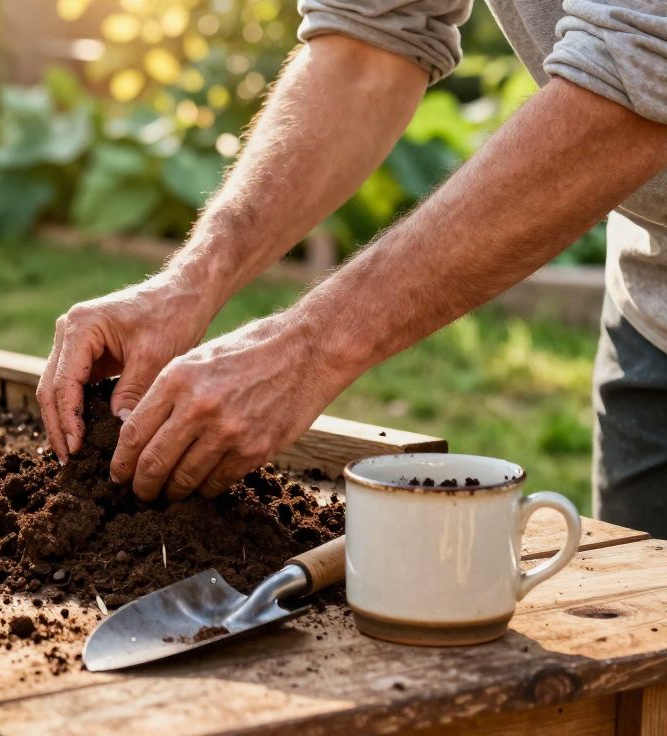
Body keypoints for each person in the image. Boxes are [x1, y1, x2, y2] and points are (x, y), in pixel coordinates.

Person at [37, 0, 667, 536]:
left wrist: (307, 347)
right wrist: (189, 282)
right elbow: (371, 36)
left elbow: (643, 72)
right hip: (650, 308)